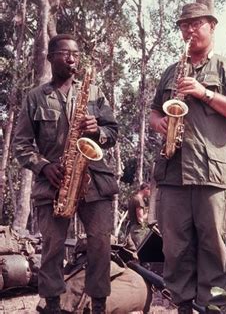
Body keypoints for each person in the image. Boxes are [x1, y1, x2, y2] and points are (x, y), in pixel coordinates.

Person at [148, 3, 226, 313]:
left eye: (196, 24)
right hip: (172, 172)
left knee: (213, 247)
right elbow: (155, 112)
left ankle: (214, 308)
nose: (189, 30)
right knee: (175, 248)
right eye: (184, 25)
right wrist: (159, 123)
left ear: (212, 26)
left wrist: (204, 93)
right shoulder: (171, 71)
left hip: (213, 175)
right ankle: (182, 305)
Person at [13, 34, 119, 314]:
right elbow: (21, 145)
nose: (72, 59)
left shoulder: (94, 93)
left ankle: (98, 304)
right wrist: (44, 166)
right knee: (52, 246)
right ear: (50, 57)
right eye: (64, 53)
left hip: (94, 180)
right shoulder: (35, 97)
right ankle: (52, 305)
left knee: (99, 243)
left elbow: (114, 133)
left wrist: (98, 130)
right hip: (54, 182)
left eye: (75, 54)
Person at [127, 183, 151, 248]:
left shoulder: (133, 198)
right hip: (138, 230)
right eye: (150, 191)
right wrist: (148, 214)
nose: (150, 193)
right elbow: (140, 219)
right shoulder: (139, 200)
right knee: (143, 252)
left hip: (133, 229)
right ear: (146, 189)